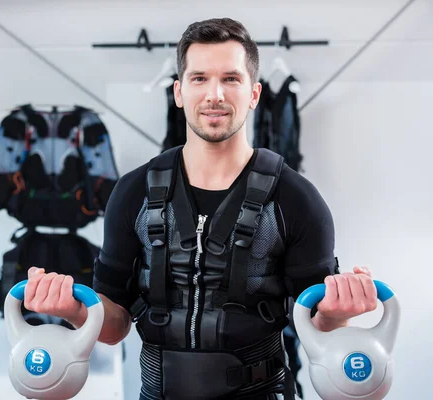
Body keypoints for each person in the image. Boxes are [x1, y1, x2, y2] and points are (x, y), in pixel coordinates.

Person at [23, 17, 378, 400]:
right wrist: (74, 309)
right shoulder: (133, 192)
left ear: (254, 93)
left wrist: (339, 311)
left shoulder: (296, 198)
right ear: (178, 92)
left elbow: (317, 330)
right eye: (199, 79)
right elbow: (113, 329)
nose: (215, 95)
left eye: (230, 79)